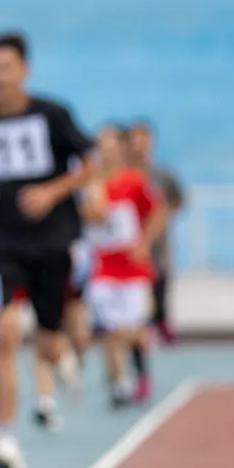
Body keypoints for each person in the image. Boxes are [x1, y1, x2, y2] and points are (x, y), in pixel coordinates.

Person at [0, 32, 94, 468]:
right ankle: (6, 440)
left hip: (52, 243)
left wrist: (51, 191)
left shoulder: (52, 114)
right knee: (4, 333)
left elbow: (91, 162)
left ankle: (59, 354)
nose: (0, 76)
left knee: (47, 340)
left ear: (24, 69)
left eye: (8, 66)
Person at [83, 124, 166, 408]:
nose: (105, 150)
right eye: (100, 144)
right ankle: (117, 384)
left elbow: (157, 213)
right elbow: (89, 215)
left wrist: (144, 242)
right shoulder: (88, 182)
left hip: (132, 269)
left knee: (129, 330)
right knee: (107, 330)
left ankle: (143, 351)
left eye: (110, 144)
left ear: (120, 147)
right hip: (103, 268)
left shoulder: (134, 181)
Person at [128, 120, 186, 346]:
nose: (140, 145)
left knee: (159, 285)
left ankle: (160, 319)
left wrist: (161, 218)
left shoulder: (163, 176)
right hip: (131, 245)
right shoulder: (125, 175)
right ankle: (143, 332)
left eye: (144, 140)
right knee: (136, 299)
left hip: (158, 245)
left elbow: (178, 201)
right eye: (136, 140)